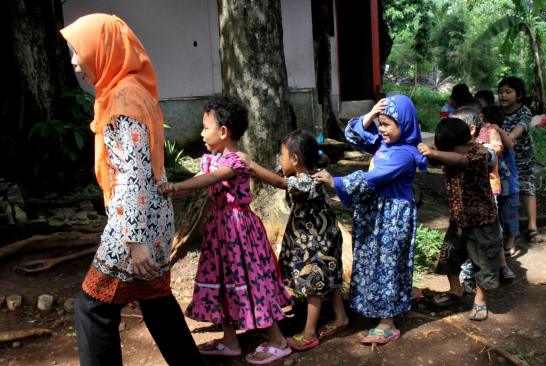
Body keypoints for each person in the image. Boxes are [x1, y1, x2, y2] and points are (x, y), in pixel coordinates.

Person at [60, 14, 203, 365]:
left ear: (102, 49)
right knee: (155, 302)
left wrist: (134, 243)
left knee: (92, 308)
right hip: (151, 220)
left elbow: (134, 175)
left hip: (135, 227)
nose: (75, 62)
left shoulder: (124, 101)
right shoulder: (130, 92)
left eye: (79, 51)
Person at [158, 96, 293, 364]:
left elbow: (211, 179)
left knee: (248, 281)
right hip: (220, 230)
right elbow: (204, 176)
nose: (201, 133)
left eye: (205, 127)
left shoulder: (235, 160)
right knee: (223, 282)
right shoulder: (211, 159)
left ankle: (278, 340)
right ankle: (230, 340)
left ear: (223, 132)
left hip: (239, 231)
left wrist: (177, 187)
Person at [313, 94, 426, 344]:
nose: (381, 129)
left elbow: (372, 179)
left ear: (405, 124)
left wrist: (336, 182)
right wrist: (371, 114)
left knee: (387, 264)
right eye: (380, 124)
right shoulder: (384, 144)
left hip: (392, 217)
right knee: (370, 258)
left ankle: (388, 322)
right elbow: (353, 134)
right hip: (375, 214)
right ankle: (383, 301)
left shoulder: (404, 154)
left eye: (387, 124)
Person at [240, 130, 348, 351]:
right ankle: (341, 317)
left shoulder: (308, 181)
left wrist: (251, 165)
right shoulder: (302, 173)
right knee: (327, 279)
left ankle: (309, 332)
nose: (280, 160)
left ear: (296, 159)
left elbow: (279, 183)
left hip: (319, 241)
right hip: (313, 237)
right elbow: (278, 177)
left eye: (282, 155)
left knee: (314, 283)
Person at [418, 118, 501, 321]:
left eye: (451, 150)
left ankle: (480, 300)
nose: (448, 154)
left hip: (482, 220)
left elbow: (461, 160)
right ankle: (456, 290)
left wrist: (435, 152)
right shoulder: (447, 153)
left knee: (483, 261)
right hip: (458, 219)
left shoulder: (478, 153)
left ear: (466, 141)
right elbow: (435, 159)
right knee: (449, 255)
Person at [496, 76, 542, 243]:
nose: (503, 96)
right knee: (504, 191)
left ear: (519, 95)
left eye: (508, 92)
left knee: (527, 188)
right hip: (503, 159)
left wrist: (508, 137)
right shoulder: (497, 111)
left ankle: (532, 227)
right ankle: (505, 229)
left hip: (523, 157)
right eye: (501, 92)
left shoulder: (524, 111)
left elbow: (519, 129)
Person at [484, 105, 521, 259]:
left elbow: (510, 144)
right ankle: (499, 243)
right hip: (495, 186)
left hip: (510, 186)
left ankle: (511, 241)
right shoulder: (484, 137)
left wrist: (497, 130)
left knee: (510, 215)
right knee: (498, 215)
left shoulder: (501, 134)